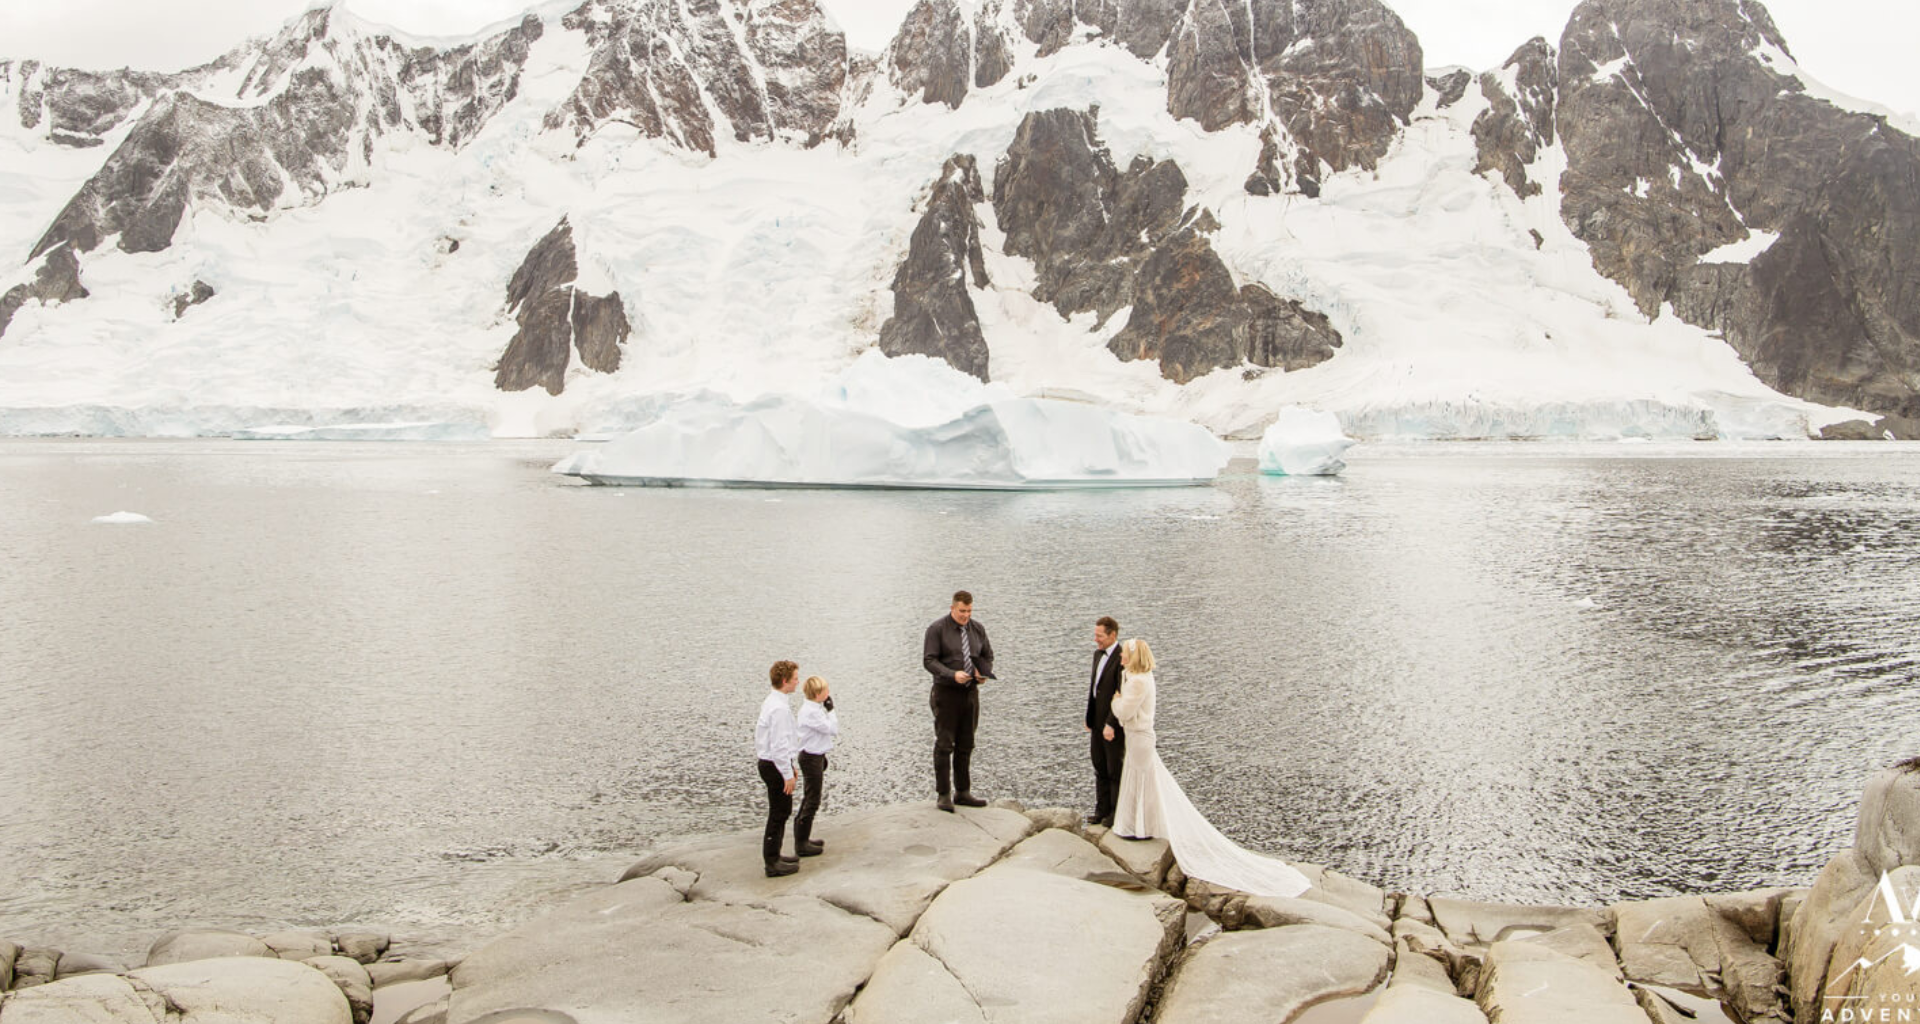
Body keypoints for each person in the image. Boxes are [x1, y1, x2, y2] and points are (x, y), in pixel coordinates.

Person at [1109, 637, 1310, 898]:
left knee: (1140, 779)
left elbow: (1124, 712)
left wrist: (1115, 700)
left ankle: (1137, 827)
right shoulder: (1141, 677)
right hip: (1139, 737)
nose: (1121, 657)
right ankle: (1140, 825)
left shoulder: (1137, 681)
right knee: (1143, 780)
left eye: (1124, 653)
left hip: (1139, 737)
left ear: (1132, 656)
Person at [922, 590, 995, 812]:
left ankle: (962, 792)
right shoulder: (937, 630)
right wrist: (951, 674)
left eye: (969, 611)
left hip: (970, 693)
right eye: (962, 611)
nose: (966, 615)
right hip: (946, 693)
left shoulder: (977, 629)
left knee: (966, 743)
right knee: (945, 744)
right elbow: (929, 660)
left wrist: (983, 672)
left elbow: (988, 655)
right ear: (953, 608)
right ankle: (943, 794)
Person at [755, 660, 803, 877]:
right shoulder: (779, 709)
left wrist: (790, 765)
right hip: (773, 764)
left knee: (781, 810)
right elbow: (779, 746)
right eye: (794, 679)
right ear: (785, 681)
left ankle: (776, 854)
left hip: (774, 762)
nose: (797, 682)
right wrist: (787, 773)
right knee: (779, 812)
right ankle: (771, 862)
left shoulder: (775, 701)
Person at [1085, 616, 1126, 827]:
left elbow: (1120, 693)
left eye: (1099, 636)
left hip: (1112, 725)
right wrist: (1089, 718)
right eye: (1095, 635)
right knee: (1099, 766)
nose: (1096, 640)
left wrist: (1111, 723)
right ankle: (1100, 811)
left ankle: (1115, 813)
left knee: (1114, 770)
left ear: (1112, 635)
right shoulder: (1097, 655)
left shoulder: (1122, 658)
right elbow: (1094, 690)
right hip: (1096, 723)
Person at [794, 675, 840, 857]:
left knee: (809, 797)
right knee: (812, 799)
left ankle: (803, 837)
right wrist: (832, 711)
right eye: (826, 690)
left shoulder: (813, 708)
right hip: (811, 757)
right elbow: (833, 729)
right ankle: (801, 843)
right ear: (818, 694)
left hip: (816, 755)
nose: (829, 693)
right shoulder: (811, 712)